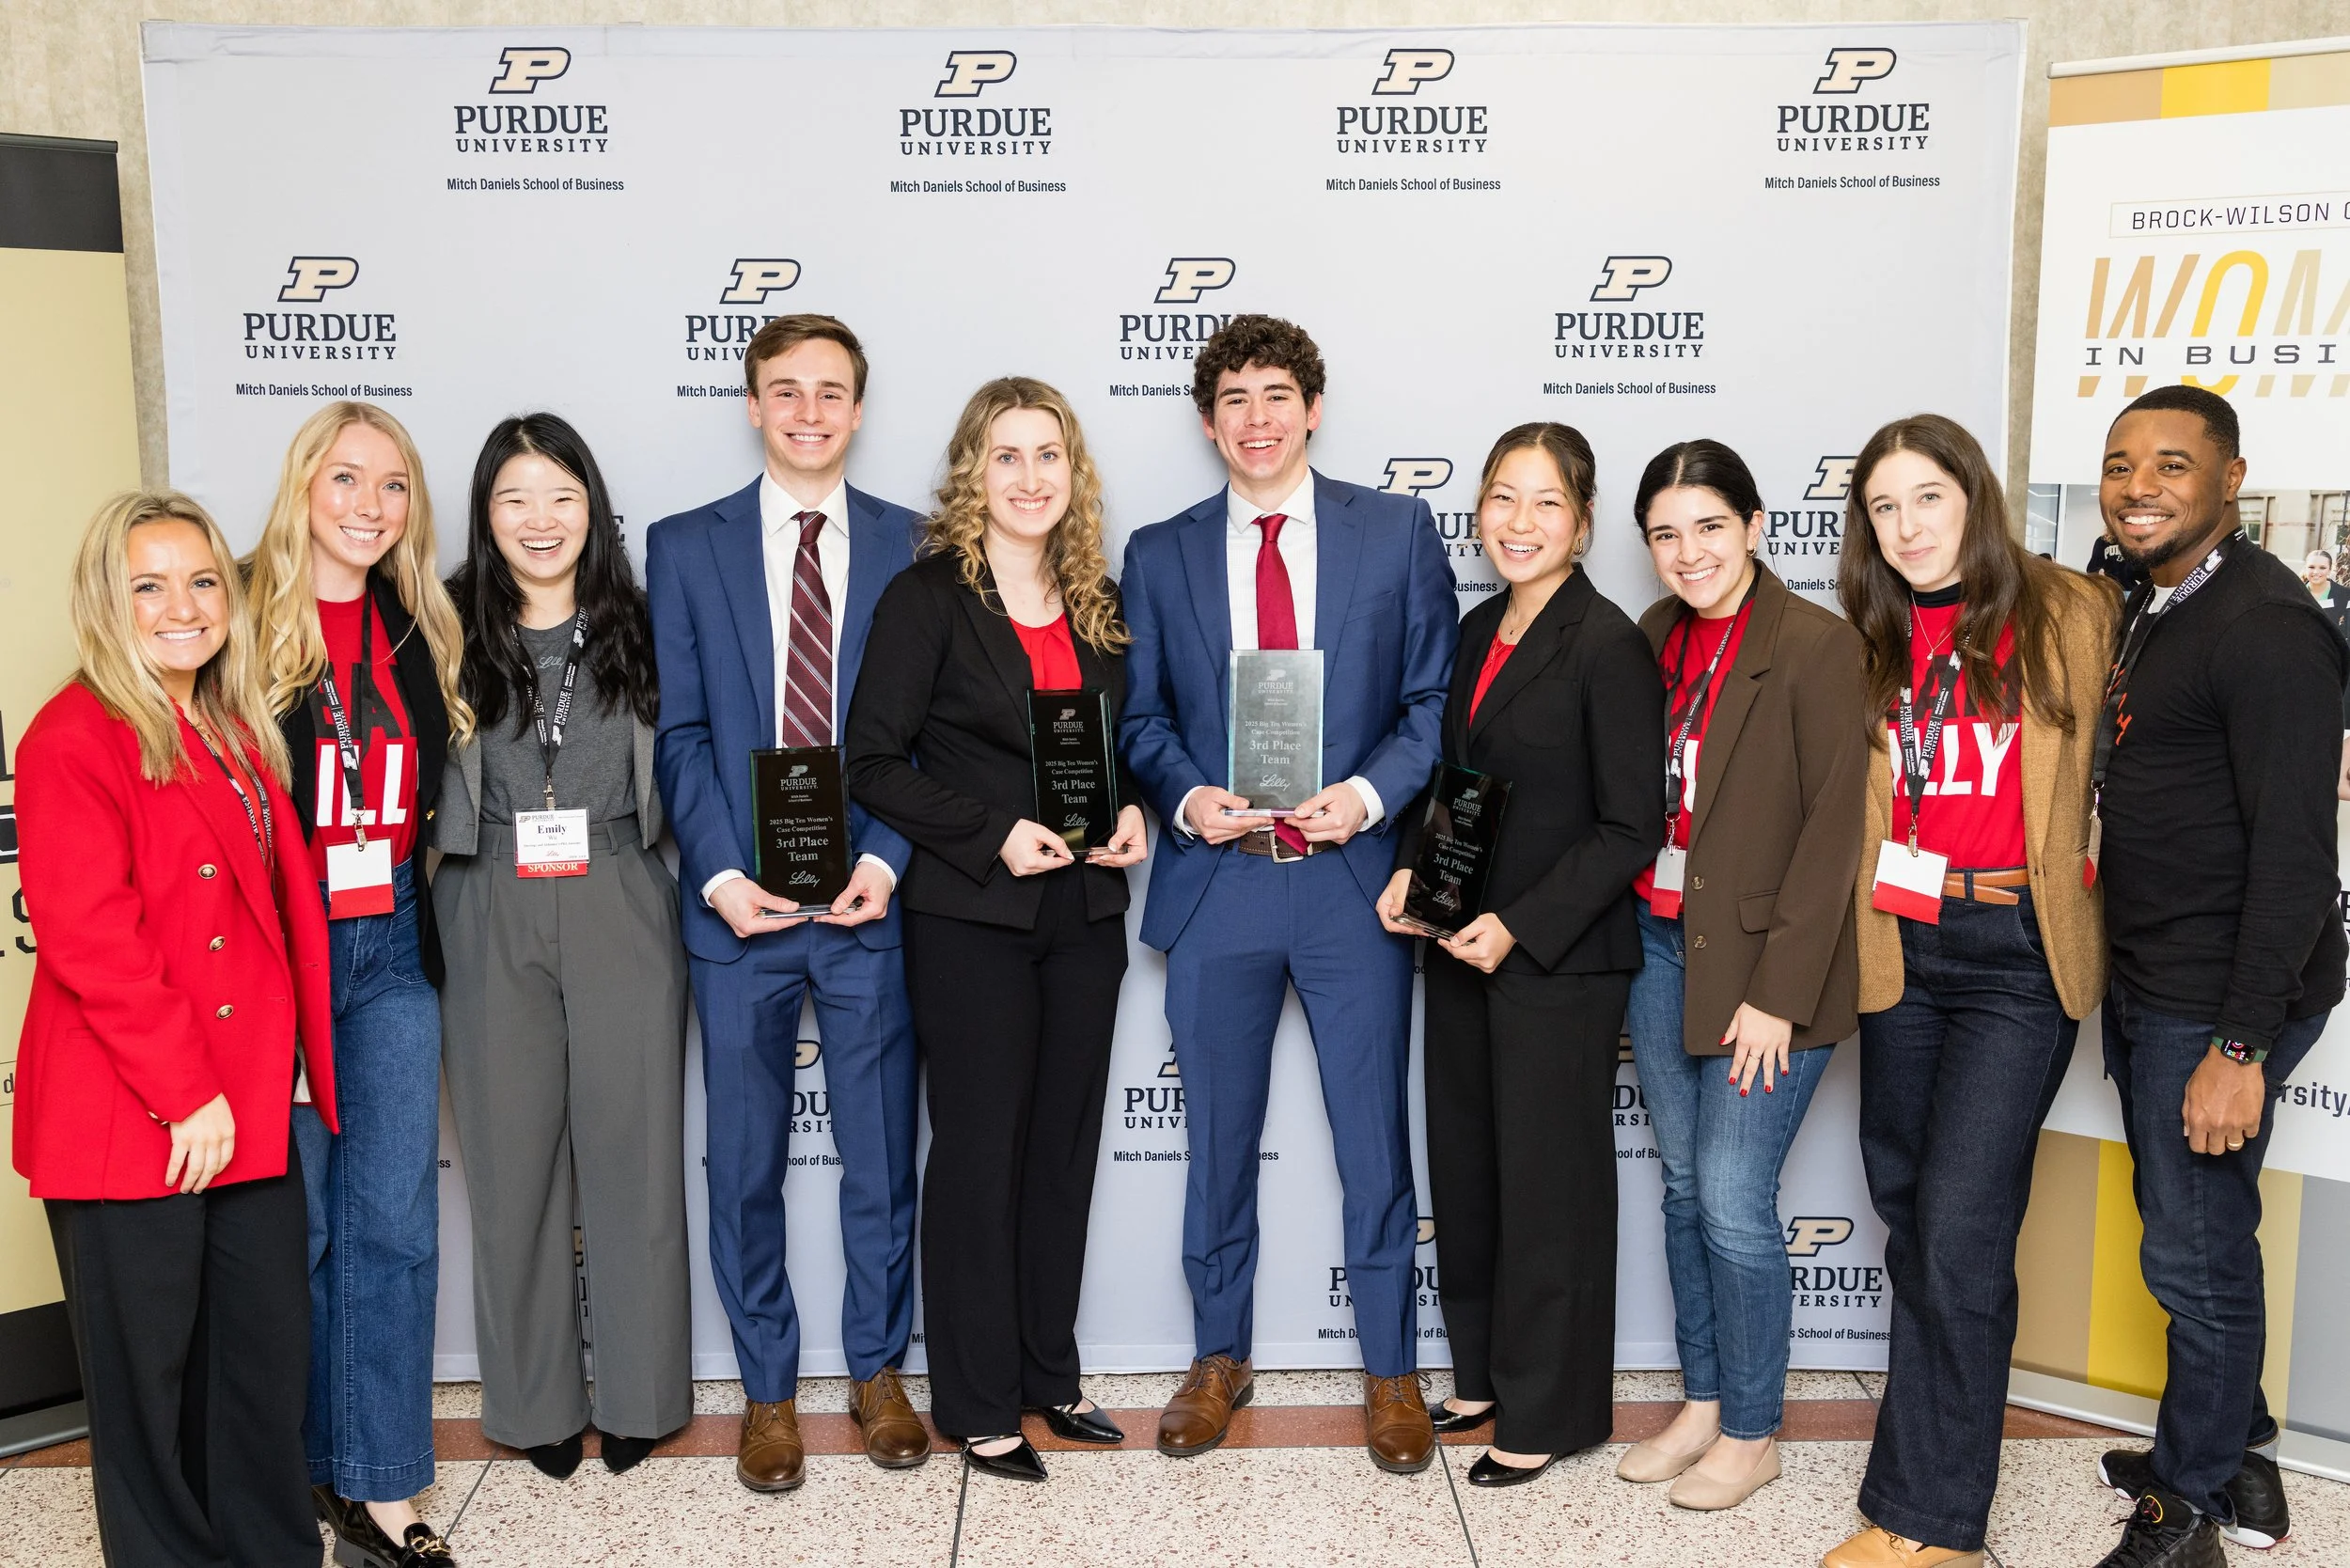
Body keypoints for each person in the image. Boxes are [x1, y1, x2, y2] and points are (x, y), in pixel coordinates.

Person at [1119, 314, 1459, 1473]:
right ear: (1207, 419)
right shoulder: (1160, 553)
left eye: (1275, 395)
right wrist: (1184, 793)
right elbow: (1144, 719)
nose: (1255, 419)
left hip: (1349, 885)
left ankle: (1389, 1368)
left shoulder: (1397, 531)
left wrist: (1366, 797)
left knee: (1373, 1141)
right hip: (1220, 881)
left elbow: (1430, 708)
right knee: (1216, 1142)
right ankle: (1220, 1357)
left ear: (1312, 409)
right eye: (1232, 398)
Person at [13, 493, 332, 1567]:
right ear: (108, 601)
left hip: (243, 1099)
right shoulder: (71, 736)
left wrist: (271, 1075)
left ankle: (274, 1553)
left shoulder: (232, 724)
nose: (183, 606)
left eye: (202, 581)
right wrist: (187, 1092)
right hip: (138, 1109)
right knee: (147, 1388)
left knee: (257, 1360)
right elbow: (91, 938)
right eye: (149, 585)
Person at [1821, 415, 2115, 1568]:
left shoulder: (2069, 614)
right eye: (1883, 509)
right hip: (1902, 948)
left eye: (1927, 499)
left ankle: (1926, 1522)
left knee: (1957, 1230)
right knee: (1910, 1211)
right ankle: (1931, 1460)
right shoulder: (1867, 639)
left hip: (2016, 956)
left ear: (1972, 498)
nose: (1906, 528)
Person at [845, 377, 1149, 1482]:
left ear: (1076, 475)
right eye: (1007, 456)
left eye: (1049, 456)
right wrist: (989, 834)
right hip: (972, 912)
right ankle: (976, 1403)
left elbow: (1124, 749)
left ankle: (1045, 1377)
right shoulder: (928, 599)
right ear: (974, 471)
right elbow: (872, 763)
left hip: (1085, 912)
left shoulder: (1099, 603)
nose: (1030, 478)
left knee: (1061, 1149)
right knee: (980, 1152)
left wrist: (1128, 810)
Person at [646, 313, 925, 1492]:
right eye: (785, 391)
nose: (808, 411)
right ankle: (767, 1392)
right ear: (752, 406)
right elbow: (684, 733)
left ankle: (876, 1373)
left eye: (830, 393)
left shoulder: (918, 545)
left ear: (858, 410)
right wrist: (719, 875)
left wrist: (886, 860)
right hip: (737, 909)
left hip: (868, 898)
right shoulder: (683, 545)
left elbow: (936, 733)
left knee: (878, 1157)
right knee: (744, 1161)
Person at [1373, 424, 1664, 1483]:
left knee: (1551, 1192)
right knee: (1474, 1170)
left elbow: (1631, 826)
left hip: (1554, 963)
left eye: (1546, 503)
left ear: (1583, 523)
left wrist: (1523, 924)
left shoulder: (1606, 644)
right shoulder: (1477, 626)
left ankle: (1549, 1413)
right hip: (1457, 943)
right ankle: (1487, 1376)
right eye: (1503, 498)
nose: (1520, 522)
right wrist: (1415, 871)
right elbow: (1454, 779)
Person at [2084, 385, 2344, 1567]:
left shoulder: (2267, 627)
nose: (2139, 484)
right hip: (2155, 973)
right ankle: (2237, 1455)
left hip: (2220, 993)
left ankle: (2182, 1507)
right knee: (2195, 1231)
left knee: (2189, 1252)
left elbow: (2296, 857)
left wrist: (2237, 1048)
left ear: (2231, 479)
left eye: (2172, 464)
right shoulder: (2154, 601)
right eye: (2120, 462)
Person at [1609, 441, 1867, 1510]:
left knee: (1729, 1197)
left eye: (1708, 526)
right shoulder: (1654, 635)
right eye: (1665, 534)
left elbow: (1831, 831)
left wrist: (1779, 994)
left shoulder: (1815, 645)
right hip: (1661, 946)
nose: (1687, 552)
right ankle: (1706, 1400)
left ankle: (1755, 1428)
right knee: (1680, 1190)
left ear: (1756, 526)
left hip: (1767, 972)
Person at [433, 414, 689, 1480]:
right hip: (488, 891)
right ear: (487, 516)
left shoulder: (644, 619)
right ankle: (534, 1404)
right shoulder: (439, 625)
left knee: (634, 1159)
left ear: (593, 508)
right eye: (514, 499)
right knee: (510, 1164)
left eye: (561, 497)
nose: (540, 521)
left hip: (620, 885)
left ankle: (641, 1395)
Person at [245, 400, 471, 1567]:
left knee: (394, 1223)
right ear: (302, 487)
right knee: (303, 1228)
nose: (368, 507)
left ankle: (379, 1485)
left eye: (392, 487)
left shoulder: (416, 628)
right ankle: (290, 1479)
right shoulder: (230, 617)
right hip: (279, 950)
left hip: (388, 939)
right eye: (345, 480)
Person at [2299, 548, 2349, 635]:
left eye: (2322, 568)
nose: (2316, 572)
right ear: (2305, 568)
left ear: (2329, 570)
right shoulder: (2295, 594)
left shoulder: (2345, 595)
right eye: (2311, 567)